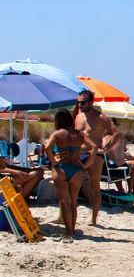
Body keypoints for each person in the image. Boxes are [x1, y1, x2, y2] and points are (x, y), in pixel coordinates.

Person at [43, 109, 94, 241]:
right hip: (76, 169)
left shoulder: (58, 133)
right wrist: (86, 165)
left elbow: (48, 148)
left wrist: (54, 162)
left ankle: (68, 231)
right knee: (73, 201)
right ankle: (72, 229)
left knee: (65, 201)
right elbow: (94, 148)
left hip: (62, 169)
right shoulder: (80, 134)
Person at [73, 89, 114, 226]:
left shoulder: (101, 117)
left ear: (91, 102)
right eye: (78, 102)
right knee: (71, 183)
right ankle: (64, 216)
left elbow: (113, 133)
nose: (80, 105)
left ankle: (94, 220)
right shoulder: (78, 116)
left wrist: (106, 145)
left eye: (83, 102)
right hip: (79, 153)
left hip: (95, 154)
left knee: (94, 186)